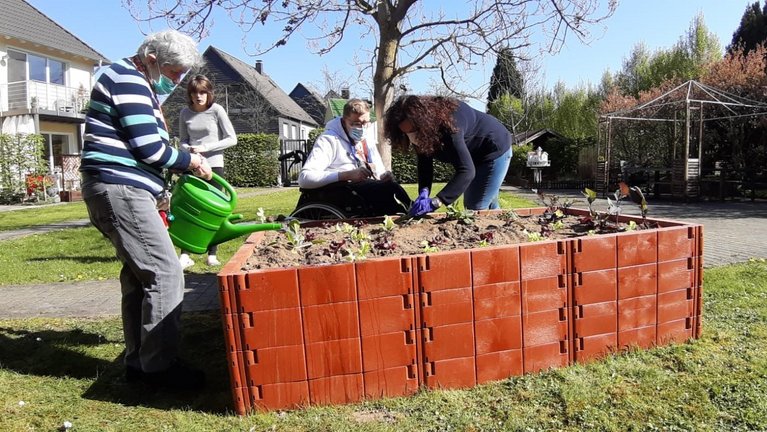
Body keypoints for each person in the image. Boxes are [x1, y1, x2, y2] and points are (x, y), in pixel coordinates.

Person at [80, 30, 209, 391]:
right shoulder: (129, 80)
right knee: (165, 273)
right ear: (151, 57)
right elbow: (150, 148)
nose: (178, 79)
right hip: (122, 190)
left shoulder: (129, 78)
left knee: (139, 278)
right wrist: (191, 160)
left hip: (117, 188)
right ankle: (160, 369)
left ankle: (140, 363)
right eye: (173, 71)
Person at [383, 95, 513, 216]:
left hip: (494, 148)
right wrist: (424, 191)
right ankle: (504, 230)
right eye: (405, 133)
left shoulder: (450, 127)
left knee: (475, 205)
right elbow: (425, 163)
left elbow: (466, 171)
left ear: (424, 124)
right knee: (487, 201)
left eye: (413, 131)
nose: (411, 136)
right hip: (474, 153)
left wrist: (437, 201)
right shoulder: (425, 132)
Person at [296, 98, 410, 216]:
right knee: (385, 192)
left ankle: (410, 209)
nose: (361, 128)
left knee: (391, 187)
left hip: (362, 189)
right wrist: (346, 175)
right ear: (344, 120)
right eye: (356, 123)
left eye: (365, 123)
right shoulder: (329, 140)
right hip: (340, 191)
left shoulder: (367, 139)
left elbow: (379, 170)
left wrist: (384, 175)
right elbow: (305, 179)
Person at [177, 75, 237, 269]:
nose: (199, 96)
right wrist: (189, 150)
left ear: (209, 93)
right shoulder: (185, 113)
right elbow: (182, 140)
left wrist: (206, 147)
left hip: (214, 166)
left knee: (213, 210)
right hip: (192, 165)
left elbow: (231, 139)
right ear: (190, 95)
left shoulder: (217, 110)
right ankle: (185, 253)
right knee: (190, 209)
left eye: (203, 92)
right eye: (195, 92)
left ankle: (212, 253)